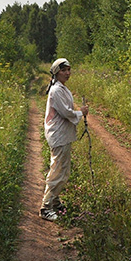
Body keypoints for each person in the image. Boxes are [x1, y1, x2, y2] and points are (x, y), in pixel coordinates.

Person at [40, 57, 88, 221]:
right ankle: (46, 207)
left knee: (62, 170)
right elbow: (67, 113)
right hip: (59, 135)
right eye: (63, 70)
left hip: (62, 135)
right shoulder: (56, 91)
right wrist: (81, 112)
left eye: (68, 70)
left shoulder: (61, 88)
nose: (67, 73)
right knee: (58, 171)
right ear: (56, 72)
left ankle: (55, 201)